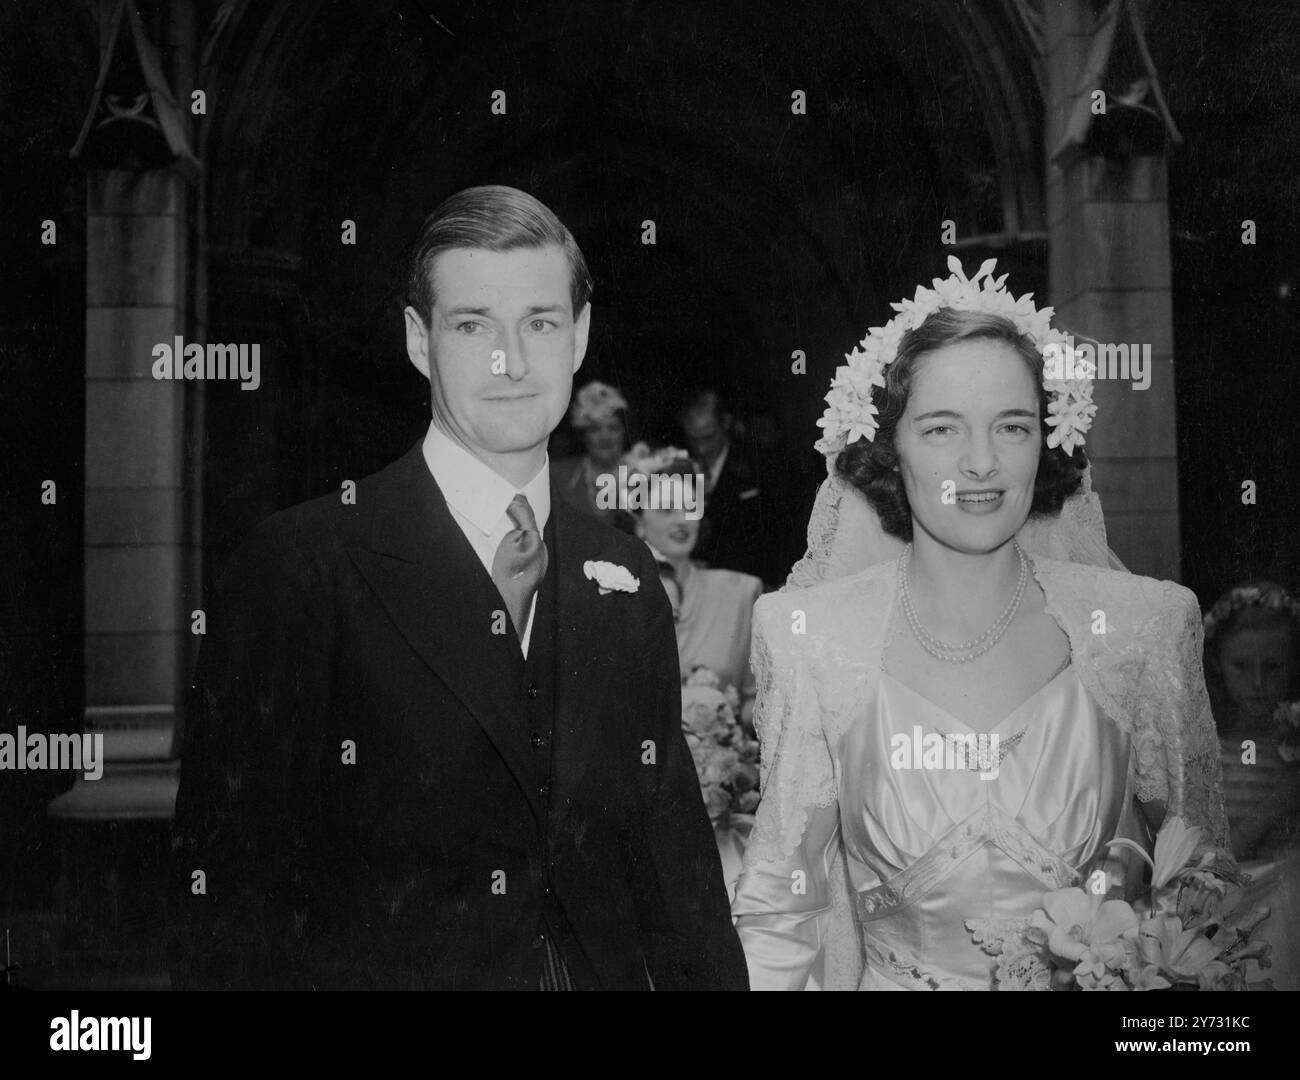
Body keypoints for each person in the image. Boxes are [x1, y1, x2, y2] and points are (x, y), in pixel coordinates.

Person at [169, 185, 747, 990]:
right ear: (418, 339)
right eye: (473, 325)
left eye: (540, 323)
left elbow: (676, 872)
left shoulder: (622, 576)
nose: (511, 361)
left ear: (579, 337)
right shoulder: (302, 563)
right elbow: (234, 900)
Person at [731, 257, 1229, 990]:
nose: (981, 463)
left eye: (1013, 426)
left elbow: (1201, 897)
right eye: (940, 429)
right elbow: (780, 915)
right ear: (886, 446)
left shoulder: (1144, 628)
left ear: (1047, 440)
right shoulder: (808, 636)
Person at [1203, 581, 1300, 988]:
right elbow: (1218, 856)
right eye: (1242, 667)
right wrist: (1283, 797)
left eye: (1274, 666)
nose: (1258, 683)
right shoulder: (1207, 744)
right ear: (1219, 665)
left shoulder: (1292, 738)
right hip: (1229, 912)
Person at [623, 443, 762, 725]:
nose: (682, 521)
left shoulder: (739, 593)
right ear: (638, 523)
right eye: (665, 509)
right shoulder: (615, 596)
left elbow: (755, 704)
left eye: (690, 507)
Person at [678, 389, 772, 584]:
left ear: (726, 423)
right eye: (694, 439)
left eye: (708, 437)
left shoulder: (757, 464)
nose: (701, 448)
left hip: (749, 582)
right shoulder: (679, 467)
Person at [552, 380, 634, 529]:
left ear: (624, 432)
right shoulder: (559, 475)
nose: (605, 437)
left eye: (613, 428)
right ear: (583, 436)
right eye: (595, 429)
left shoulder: (642, 474)